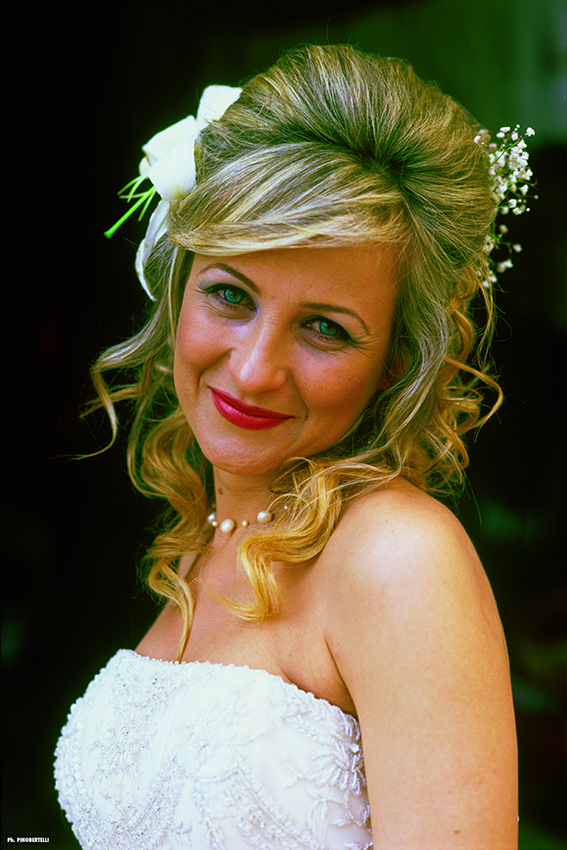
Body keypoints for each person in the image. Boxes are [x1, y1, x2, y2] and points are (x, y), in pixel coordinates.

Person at [55, 44, 534, 849]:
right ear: (179, 286)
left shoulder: (397, 558)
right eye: (229, 294)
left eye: (324, 328)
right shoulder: (210, 539)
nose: (253, 369)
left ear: (396, 362)